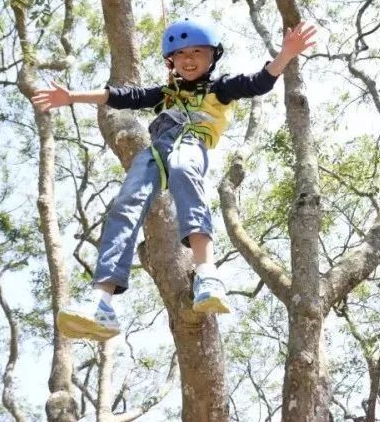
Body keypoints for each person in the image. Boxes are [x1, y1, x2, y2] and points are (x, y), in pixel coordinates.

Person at [31, 18, 316, 341]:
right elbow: (124, 96)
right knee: (125, 204)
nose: (189, 59)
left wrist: (286, 54)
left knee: (183, 168)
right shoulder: (164, 94)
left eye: (197, 51)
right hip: (157, 153)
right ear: (171, 62)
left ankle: (207, 274)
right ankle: (102, 301)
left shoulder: (218, 88)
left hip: (191, 143)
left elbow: (257, 83)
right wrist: (71, 96)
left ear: (212, 57)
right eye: (180, 54)